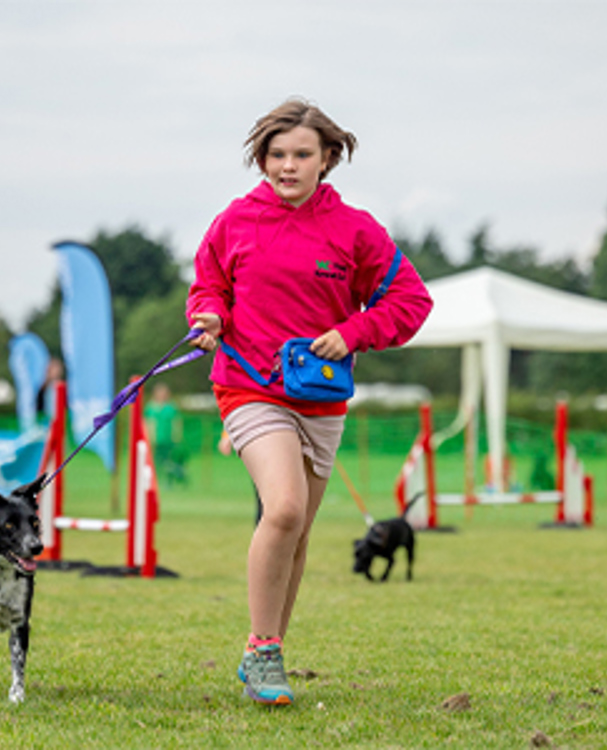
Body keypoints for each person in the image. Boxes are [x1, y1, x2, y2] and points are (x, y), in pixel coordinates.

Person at [186, 98, 433, 705]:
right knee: (287, 509)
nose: (287, 166)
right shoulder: (234, 221)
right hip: (248, 385)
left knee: (295, 532)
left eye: (302, 154)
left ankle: (261, 653)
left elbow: (410, 300)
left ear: (328, 158)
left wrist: (353, 333)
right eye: (276, 155)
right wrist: (209, 315)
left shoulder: (355, 230)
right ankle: (266, 653)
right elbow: (209, 283)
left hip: (320, 398)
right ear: (261, 158)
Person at [144, 382, 186, 485]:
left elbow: (177, 422)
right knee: (158, 462)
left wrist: (177, 436)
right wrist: (148, 437)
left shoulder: (171, 407)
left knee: (169, 461)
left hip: (169, 439)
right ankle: (157, 481)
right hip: (156, 440)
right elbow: (147, 424)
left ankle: (171, 480)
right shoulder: (150, 407)